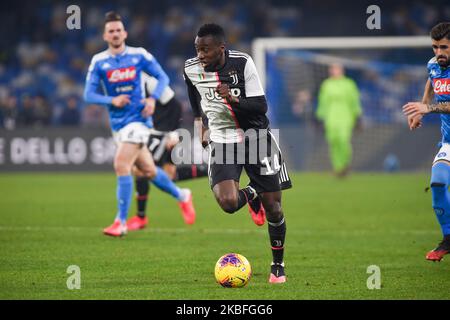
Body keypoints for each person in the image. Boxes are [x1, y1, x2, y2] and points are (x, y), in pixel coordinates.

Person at [184, 24, 292, 283]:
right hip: (222, 139)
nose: (201, 55)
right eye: (198, 49)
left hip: (255, 136)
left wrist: (233, 99)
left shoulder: (242, 63)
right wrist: (200, 125)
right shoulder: (190, 68)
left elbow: (261, 107)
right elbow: (192, 92)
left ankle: (278, 265)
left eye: (206, 50)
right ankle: (253, 191)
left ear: (222, 49)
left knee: (274, 207)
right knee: (229, 203)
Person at [83, 11, 195, 237]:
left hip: (139, 121)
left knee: (121, 165)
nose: (115, 34)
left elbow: (162, 77)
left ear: (124, 33)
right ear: (105, 36)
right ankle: (182, 195)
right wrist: (110, 99)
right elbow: (88, 94)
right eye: (110, 31)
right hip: (118, 125)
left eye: (118, 30)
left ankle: (120, 222)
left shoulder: (139, 55)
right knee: (148, 170)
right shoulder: (99, 61)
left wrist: (153, 99)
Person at [127, 73, 208, 230]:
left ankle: (141, 216)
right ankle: (211, 170)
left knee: (141, 168)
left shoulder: (147, 81)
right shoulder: (125, 83)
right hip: (148, 130)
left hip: (162, 131)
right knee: (169, 174)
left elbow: (175, 105)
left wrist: (173, 132)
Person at [402, 22, 450, 262]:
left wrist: (427, 108)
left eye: (444, 47)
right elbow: (431, 81)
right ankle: (449, 238)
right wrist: (420, 109)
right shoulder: (433, 65)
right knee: (438, 183)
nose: (438, 53)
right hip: (448, 142)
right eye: (435, 47)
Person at [315, 63, 362, 177]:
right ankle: (338, 168)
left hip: (346, 117)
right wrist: (319, 118)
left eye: (337, 69)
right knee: (333, 142)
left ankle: (345, 164)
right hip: (331, 118)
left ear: (342, 70)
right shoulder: (326, 85)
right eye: (333, 69)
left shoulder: (349, 84)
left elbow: (354, 101)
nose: (335, 71)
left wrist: (358, 116)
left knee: (343, 141)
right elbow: (323, 102)